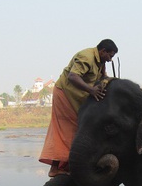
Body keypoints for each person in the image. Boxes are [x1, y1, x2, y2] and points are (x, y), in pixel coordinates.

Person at [39, 39, 118, 177]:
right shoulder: (86, 57)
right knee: (68, 129)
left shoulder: (100, 61)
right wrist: (91, 90)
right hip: (65, 93)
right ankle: (55, 168)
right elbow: (72, 76)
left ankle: (68, 165)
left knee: (80, 128)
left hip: (77, 96)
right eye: (110, 56)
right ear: (103, 51)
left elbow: (103, 77)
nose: (110, 59)